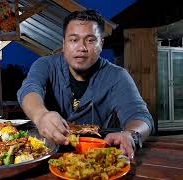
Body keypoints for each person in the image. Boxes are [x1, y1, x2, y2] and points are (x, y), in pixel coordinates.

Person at [17, 9, 154, 159]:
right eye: (73, 40)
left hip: (96, 157)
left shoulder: (117, 76)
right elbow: (29, 89)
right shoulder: (46, 65)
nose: (81, 48)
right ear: (64, 44)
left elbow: (141, 117)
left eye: (90, 40)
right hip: (47, 154)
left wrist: (130, 135)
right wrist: (41, 115)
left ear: (101, 43)